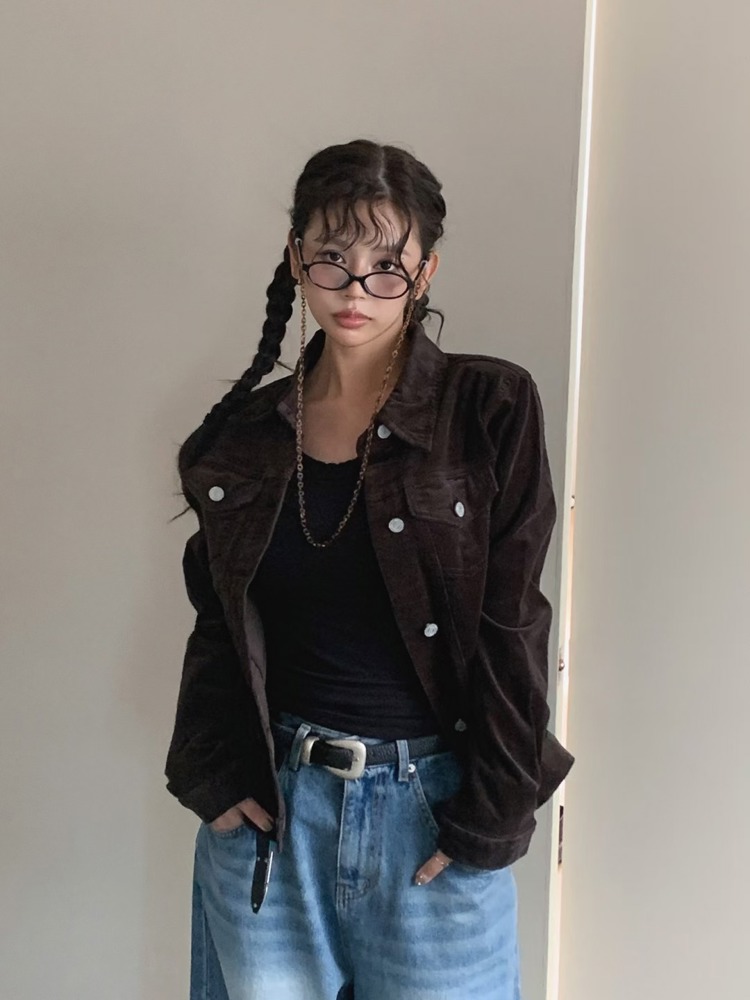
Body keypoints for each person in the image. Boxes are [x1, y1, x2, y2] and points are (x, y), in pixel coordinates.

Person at [165, 138, 574, 1000]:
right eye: (333, 258)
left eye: (387, 265)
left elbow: (514, 624)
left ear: (425, 273)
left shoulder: (489, 407)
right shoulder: (244, 436)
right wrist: (207, 772)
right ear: (296, 258)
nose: (356, 289)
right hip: (272, 815)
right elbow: (218, 622)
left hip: (432, 811)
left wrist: (493, 817)